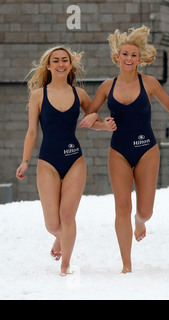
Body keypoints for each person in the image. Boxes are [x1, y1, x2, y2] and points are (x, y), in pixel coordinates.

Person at [80, 26, 169, 274]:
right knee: (122, 206)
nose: (129, 59)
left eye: (134, 55)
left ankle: (140, 222)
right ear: (117, 57)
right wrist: (102, 125)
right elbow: (89, 116)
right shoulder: (105, 87)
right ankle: (126, 264)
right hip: (119, 152)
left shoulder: (151, 83)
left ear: (139, 59)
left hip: (147, 151)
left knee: (145, 211)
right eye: (125, 54)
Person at [16, 46, 94, 276]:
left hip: (75, 161)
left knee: (68, 216)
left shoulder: (79, 94)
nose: (61, 63)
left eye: (65, 60)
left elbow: (93, 118)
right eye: (56, 60)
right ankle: (60, 238)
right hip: (47, 162)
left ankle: (65, 265)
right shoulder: (38, 95)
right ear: (48, 66)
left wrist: (105, 124)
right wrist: (24, 161)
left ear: (70, 65)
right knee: (53, 225)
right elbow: (31, 132)